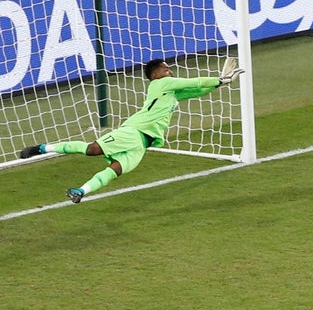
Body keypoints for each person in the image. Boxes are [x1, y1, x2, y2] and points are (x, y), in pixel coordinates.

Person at [19, 59, 244, 204]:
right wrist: (219, 78)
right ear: (155, 75)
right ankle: (40, 148)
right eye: (165, 68)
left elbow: (197, 91)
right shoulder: (160, 84)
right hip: (133, 130)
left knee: (115, 170)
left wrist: (222, 83)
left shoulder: (171, 95)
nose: (170, 70)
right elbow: (194, 81)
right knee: (93, 149)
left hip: (143, 143)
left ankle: (80, 191)